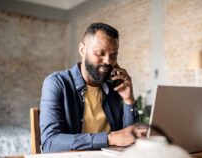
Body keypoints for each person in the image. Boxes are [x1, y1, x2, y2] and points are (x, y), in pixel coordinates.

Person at [40, 23, 145, 153]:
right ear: (82, 50)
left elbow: (129, 138)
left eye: (113, 56)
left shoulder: (114, 86)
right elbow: (50, 142)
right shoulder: (56, 83)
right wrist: (110, 138)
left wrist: (129, 100)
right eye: (100, 53)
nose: (108, 61)